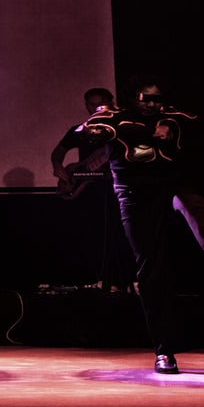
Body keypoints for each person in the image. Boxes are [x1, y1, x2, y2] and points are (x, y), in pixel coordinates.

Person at [78, 74, 204, 375]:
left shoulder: (173, 116)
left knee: (197, 209)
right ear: (133, 98)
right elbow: (87, 131)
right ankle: (164, 350)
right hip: (135, 196)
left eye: (157, 99)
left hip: (171, 188)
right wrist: (140, 131)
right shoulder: (114, 117)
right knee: (152, 271)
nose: (152, 104)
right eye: (146, 99)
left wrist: (171, 127)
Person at [50, 87, 135, 292]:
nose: (97, 108)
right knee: (97, 235)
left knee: (125, 234)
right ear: (86, 106)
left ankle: (128, 280)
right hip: (91, 191)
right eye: (92, 104)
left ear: (111, 102)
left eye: (101, 103)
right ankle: (102, 279)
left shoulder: (124, 128)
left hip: (121, 188)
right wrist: (59, 167)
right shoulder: (81, 130)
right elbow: (58, 152)